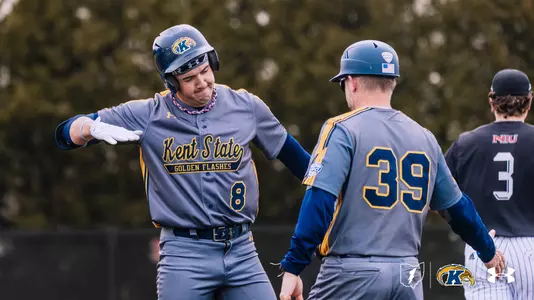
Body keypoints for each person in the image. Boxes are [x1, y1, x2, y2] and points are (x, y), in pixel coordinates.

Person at [54, 24, 310, 300]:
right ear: (171, 81)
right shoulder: (150, 114)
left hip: (241, 249)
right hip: (184, 254)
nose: (202, 82)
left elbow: (300, 162)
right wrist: (87, 129)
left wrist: (338, 191)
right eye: (189, 77)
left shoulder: (246, 106)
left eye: (205, 71)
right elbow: (64, 133)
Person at [276, 40, 506, 300]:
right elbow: (457, 208)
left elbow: (320, 201)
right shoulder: (424, 137)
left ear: (352, 82)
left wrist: (294, 266)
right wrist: (487, 251)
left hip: (351, 274)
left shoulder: (342, 128)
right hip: (406, 274)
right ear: (392, 82)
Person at [445, 68, 534, 300]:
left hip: (484, 245)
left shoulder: (466, 143)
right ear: (529, 101)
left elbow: (440, 196)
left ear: (492, 101)